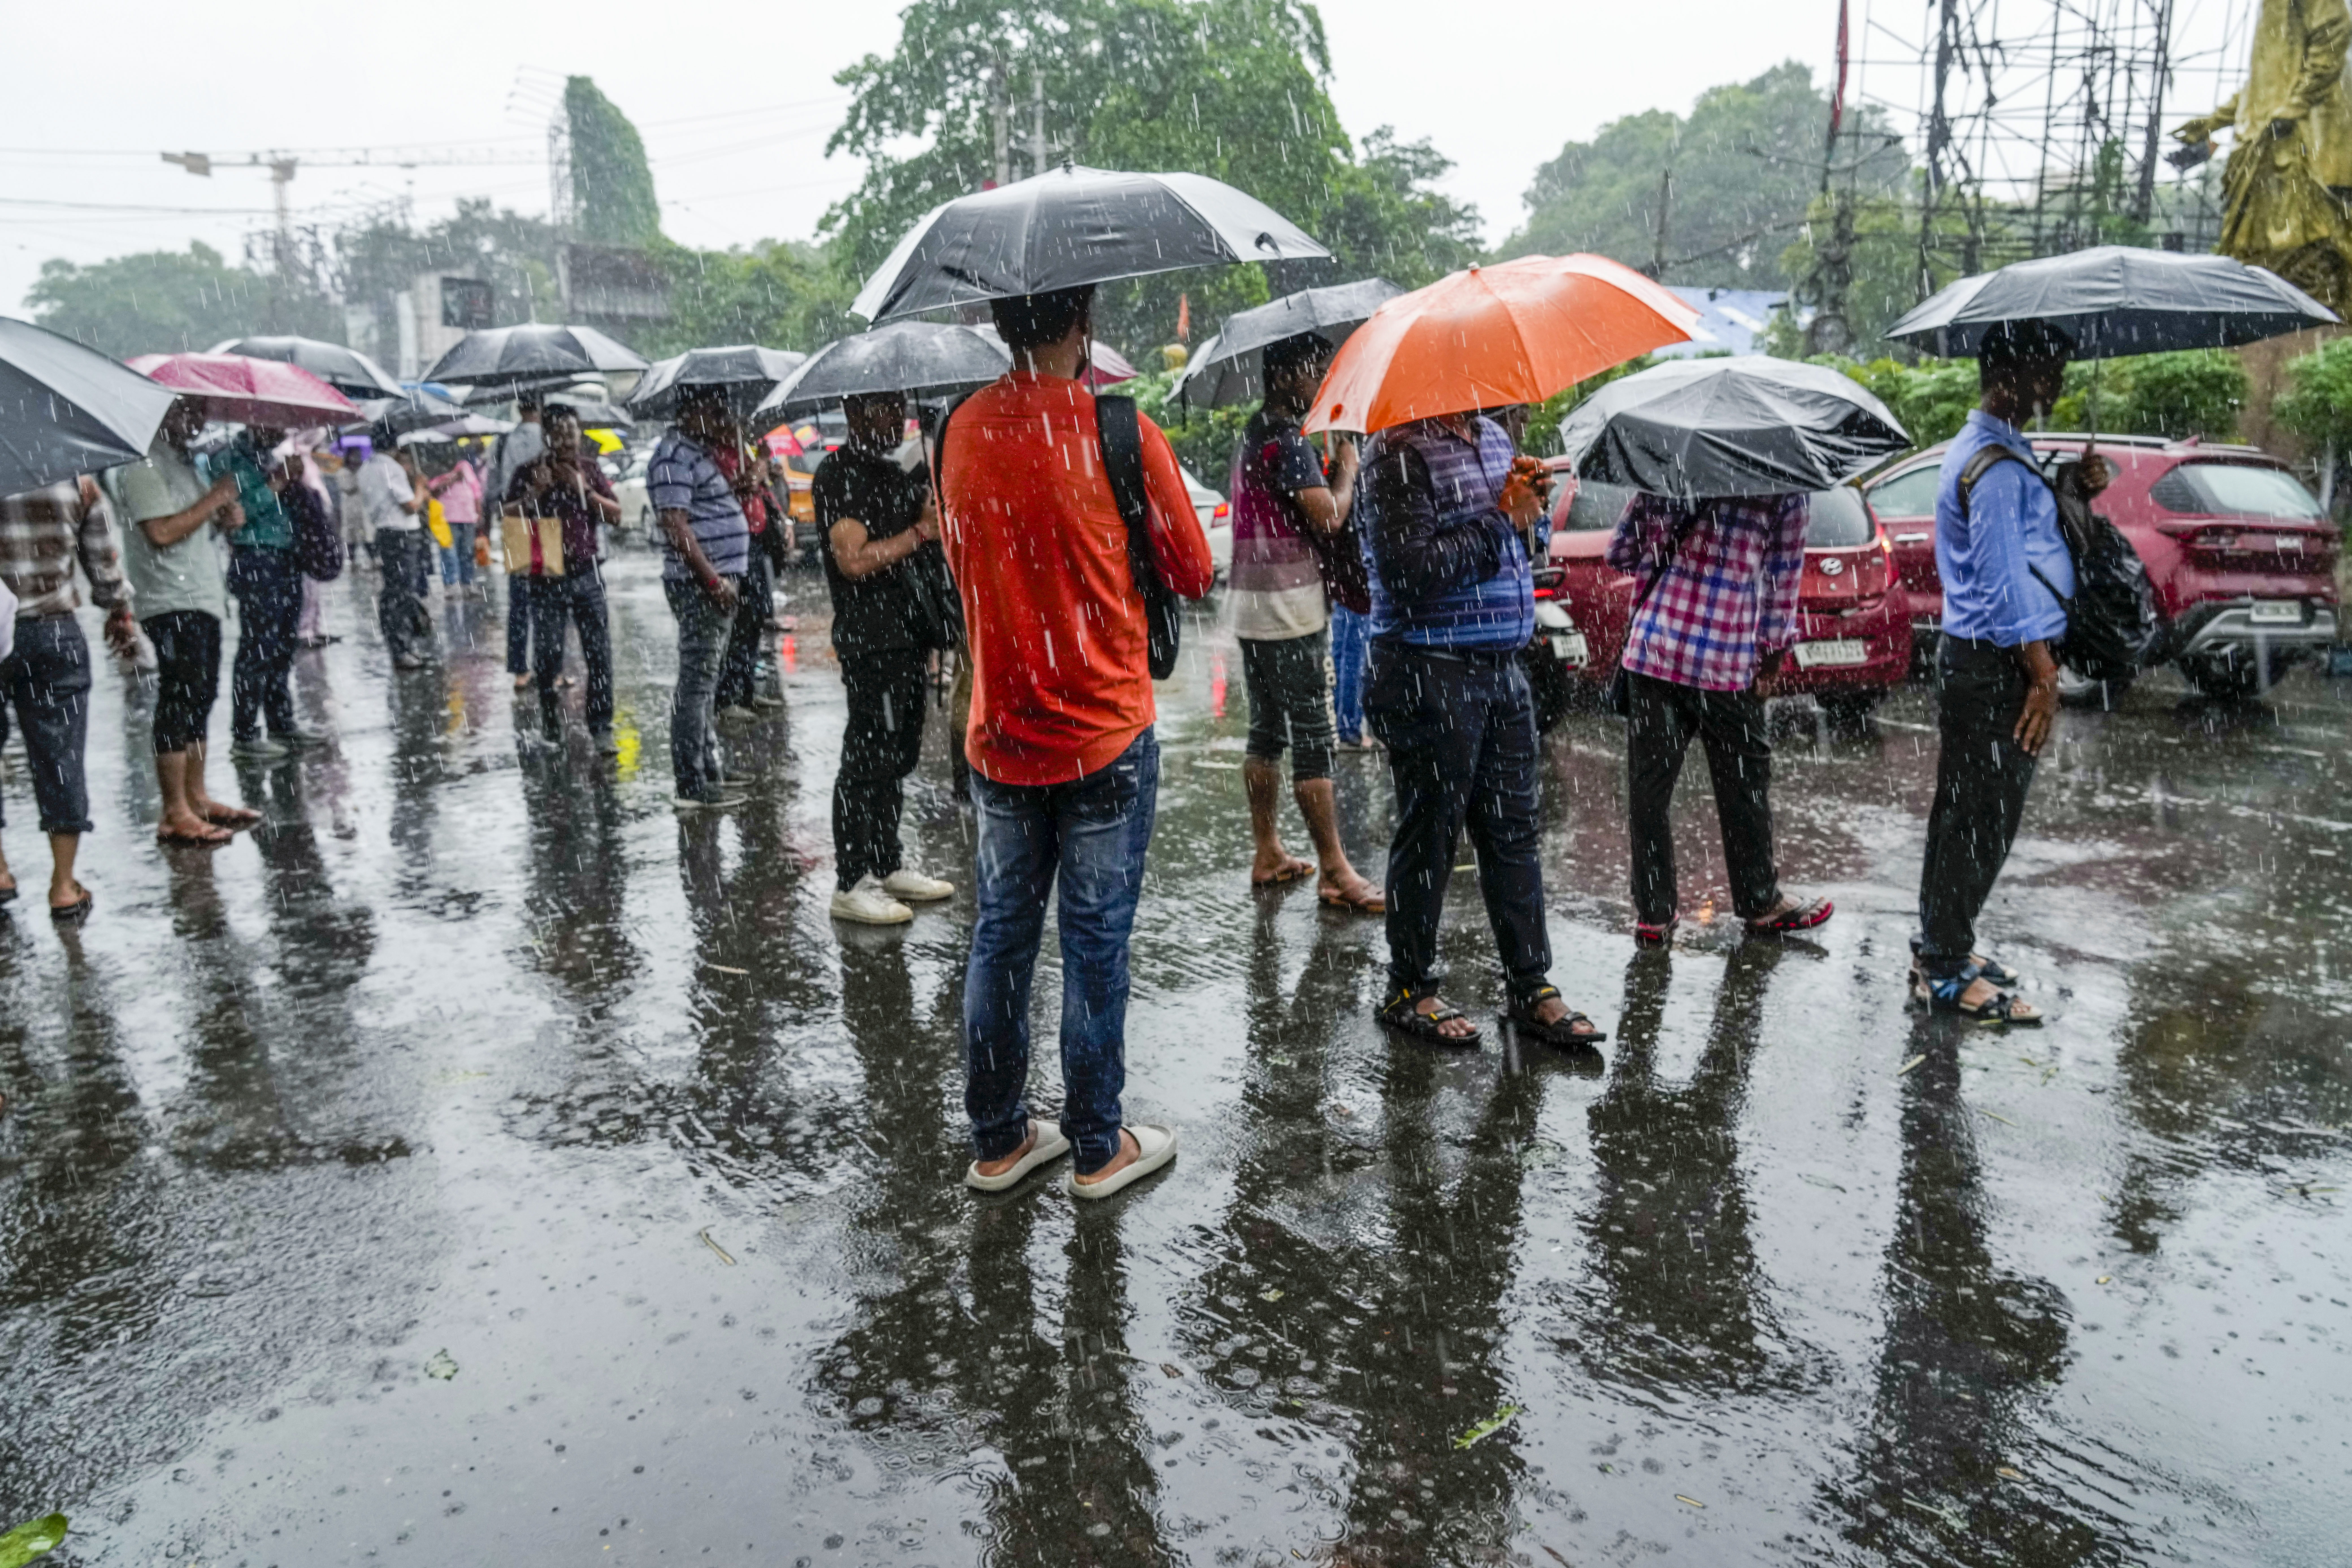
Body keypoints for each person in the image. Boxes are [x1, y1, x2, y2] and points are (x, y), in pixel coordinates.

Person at [939, 284, 1213, 1199]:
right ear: (1083, 321)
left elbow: (962, 560)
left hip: (999, 736)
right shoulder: (1118, 430)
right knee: (1094, 943)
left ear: (998, 321)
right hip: (1104, 733)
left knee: (1000, 938)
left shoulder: (955, 431)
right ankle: (1097, 1146)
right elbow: (1193, 569)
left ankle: (1000, 1140)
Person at [1354, 407, 1606, 1051]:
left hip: (1502, 666)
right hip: (1428, 666)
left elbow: (1519, 549)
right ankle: (1409, 987)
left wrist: (1531, 511)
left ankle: (1530, 984)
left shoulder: (1493, 438)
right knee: (1432, 830)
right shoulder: (1396, 453)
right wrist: (1503, 517)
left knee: (1513, 830)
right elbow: (1409, 573)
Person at [1912, 319, 2106, 1023]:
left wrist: (2075, 488)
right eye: (2047, 368)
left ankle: (1942, 943)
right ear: (2009, 375)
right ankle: (1944, 967)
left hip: (1985, 662)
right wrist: (2042, 675)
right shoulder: (1991, 465)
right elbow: (2002, 581)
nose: (2057, 381)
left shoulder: (2001, 450)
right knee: (1982, 819)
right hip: (1997, 666)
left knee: (1964, 812)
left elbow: (2028, 543)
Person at [1605, 489, 1835, 944]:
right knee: (1744, 788)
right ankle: (1758, 901)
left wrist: (1670, 535)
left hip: (1655, 650)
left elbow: (1620, 554)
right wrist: (1773, 653)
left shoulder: (1666, 470)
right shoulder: (1783, 484)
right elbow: (1781, 578)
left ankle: (1653, 913)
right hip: (1725, 659)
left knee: (1649, 791)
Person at [1226, 331, 1381, 912]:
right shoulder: (1287, 443)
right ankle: (1335, 869)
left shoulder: (1252, 434)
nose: (1320, 383)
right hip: (1289, 608)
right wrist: (1347, 468)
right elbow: (1330, 516)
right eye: (1314, 371)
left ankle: (1267, 850)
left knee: (1266, 731)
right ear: (1285, 375)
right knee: (1314, 736)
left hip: (1251, 603)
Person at [813, 389, 958, 925]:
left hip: (907, 636)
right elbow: (852, 561)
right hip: (870, 640)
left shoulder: (894, 473)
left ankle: (886, 861)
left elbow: (923, 535)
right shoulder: (838, 475)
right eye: (883, 407)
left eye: (900, 406)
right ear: (853, 411)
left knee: (897, 755)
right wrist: (918, 532)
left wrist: (926, 511)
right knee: (866, 759)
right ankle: (851, 882)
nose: (897, 416)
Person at [109, 396, 262, 847]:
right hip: (171, 600)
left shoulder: (185, 465)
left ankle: (196, 797)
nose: (195, 421)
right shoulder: (143, 466)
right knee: (179, 696)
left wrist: (224, 518)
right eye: (185, 410)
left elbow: (192, 528)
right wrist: (215, 498)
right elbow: (161, 533)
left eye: (200, 411)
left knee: (202, 694)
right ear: (160, 412)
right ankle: (175, 811)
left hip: (202, 595)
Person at [0, 473, 136, 919]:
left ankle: (0, 871)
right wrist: (118, 609)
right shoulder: (74, 478)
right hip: (53, 630)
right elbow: (103, 561)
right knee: (60, 754)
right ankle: (63, 884)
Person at [649, 387, 751, 810]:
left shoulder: (696, 452)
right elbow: (676, 524)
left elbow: (700, 509)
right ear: (692, 412)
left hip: (717, 579)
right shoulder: (673, 456)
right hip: (700, 585)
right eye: (715, 410)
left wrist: (735, 488)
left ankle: (708, 769)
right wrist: (713, 582)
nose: (722, 418)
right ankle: (691, 782)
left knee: (705, 681)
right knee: (696, 683)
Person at [506, 405, 619, 754]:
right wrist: (534, 494)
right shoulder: (529, 471)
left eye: (573, 432)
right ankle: (551, 723)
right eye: (560, 433)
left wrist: (584, 490)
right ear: (547, 437)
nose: (569, 439)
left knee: (598, 652)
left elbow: (616, 515)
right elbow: (506, 515)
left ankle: (601, 727)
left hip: (587, 572)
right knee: (548, 655)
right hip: (547, 577)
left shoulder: (590, 469)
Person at [207, 424, 310, 759]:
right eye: (275, 425)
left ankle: (282, 722)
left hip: (286, 557)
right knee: (258, 647)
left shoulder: (269, 458)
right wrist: (276, 483)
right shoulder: (228, 460)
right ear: (255, 421)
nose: (281, 432)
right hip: (255, 558)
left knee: (283, 645)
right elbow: (236, 514)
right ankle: (246, 732)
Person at [713, 433, 784, 722]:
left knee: (755, 618)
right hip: (737, 544)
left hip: (756, 542)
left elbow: (759, 486)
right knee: (742, 622)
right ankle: (728, 697)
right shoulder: (720, 456)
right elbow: (744, 484)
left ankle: (746, 691)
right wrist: (760, 464)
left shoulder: (742, 451)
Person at [488, 396, 549, 691]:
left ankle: (521, 670)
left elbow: (492, 488)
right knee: (550, 598)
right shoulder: (550, 439)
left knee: (520, 600)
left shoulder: (501, 443)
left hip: (514, 521)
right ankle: (550, 667)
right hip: (549, 524)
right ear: (540, 407)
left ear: (519, 408)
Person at [358, 437, 432, 670]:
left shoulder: (366, 468)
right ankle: (401, 648)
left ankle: (402, 645)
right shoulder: (391, 468)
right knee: (401, 593)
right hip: (402, 534)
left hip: (384, 533)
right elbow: (410, 506)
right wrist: (420, 487)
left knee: (395, 591)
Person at [427, 448, 484, 591]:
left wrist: (479, 512)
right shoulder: (437, 470)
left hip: (468, 518)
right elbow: (432, 491)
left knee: (467, 553)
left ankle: (468, 583)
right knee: (449, 552)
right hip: (447, 519)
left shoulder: (465, 466)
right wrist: (451, 479)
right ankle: (450, 584)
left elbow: (476, 489)